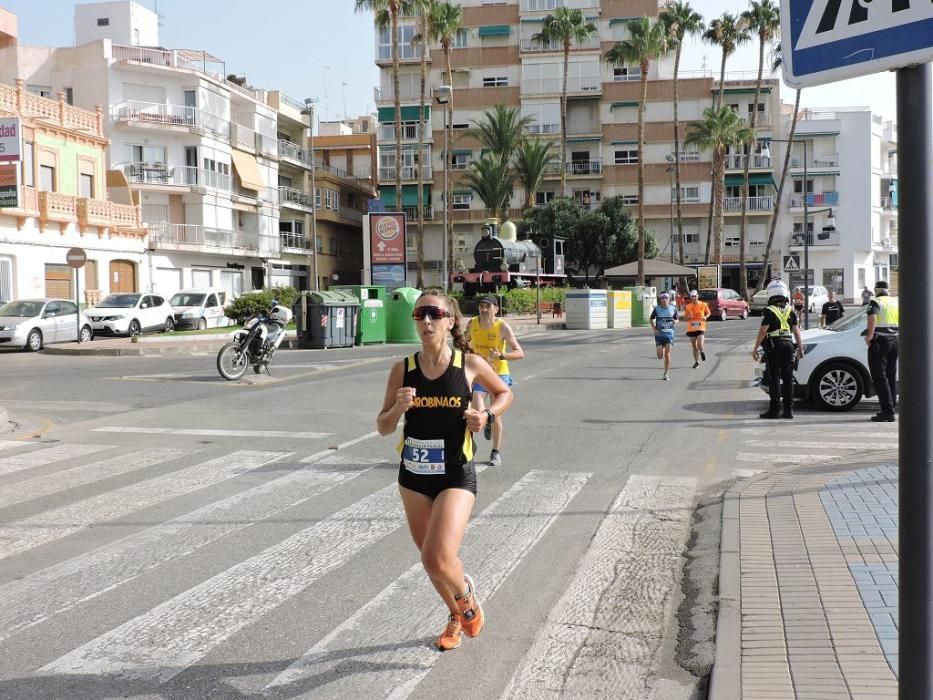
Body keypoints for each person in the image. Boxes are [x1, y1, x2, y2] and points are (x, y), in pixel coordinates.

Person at [377, 289, 513, 651]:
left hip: (455, 472)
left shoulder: (467, 364)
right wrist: (396, 409)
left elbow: (504, 393)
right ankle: (455, 614)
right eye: (420, 314)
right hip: (414, 477)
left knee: (437, 557)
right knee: (431, 561)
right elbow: (383, 426)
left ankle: (466, 596)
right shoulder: (402, 369)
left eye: (434, 314)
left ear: (450, 321)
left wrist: (486, 415)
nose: (426, 321)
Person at [465, 295, 524, 467]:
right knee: (477, 407)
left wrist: (501, 355)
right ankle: (485, 423)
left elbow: (520, 353)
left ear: (496, 309)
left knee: (496, 415)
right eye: (481, 306)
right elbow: (463, 342)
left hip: (499, 374)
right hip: (479, 374)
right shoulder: (472, 324)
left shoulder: (502, 327)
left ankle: (495, 452)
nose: (484, 310)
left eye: (488, 307)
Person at [752, 280, 804, 419]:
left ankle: (774, 410)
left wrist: (755, 348)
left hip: (774, 346)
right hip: (788, 345)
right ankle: (789, 410)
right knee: (788, 378)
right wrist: (800, 348)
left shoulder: (768, 311)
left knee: (774, 378)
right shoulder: (790, 310)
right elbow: (797, 332)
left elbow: (763, 332)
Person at [864, 280, 899, 422]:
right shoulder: (895, 302)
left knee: (879, 376)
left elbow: (872, 317)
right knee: (890, 376)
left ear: (876, 289)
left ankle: (887, 411)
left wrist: (869, 336)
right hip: (895, 341)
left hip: (880, 341)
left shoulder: (875, 301)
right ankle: (891, 408)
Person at [650, 291, 679, 381]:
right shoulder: (657, 309)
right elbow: (650, 319)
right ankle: (661, 347)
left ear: (669, 300)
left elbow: (677, 319)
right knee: (659, 356)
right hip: (659, 335)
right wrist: (654, 329)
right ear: (660, 300)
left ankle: (666, 373)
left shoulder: (673, 308)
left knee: (667, 354)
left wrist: (675, 321)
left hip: (669, 335)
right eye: (662, 298)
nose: (664, 300)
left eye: (666, 298)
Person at [683, 289, 711, 368]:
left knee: (699, 345)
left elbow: (709, 313)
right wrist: (689, 316)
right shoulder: (688, 306)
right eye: (692, 297)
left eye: (695, 296)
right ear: (691, 297)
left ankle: (702, 352)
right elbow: (685, 318)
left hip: (700, 326)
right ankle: (696, 362)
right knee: (694, 346)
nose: (694, 298)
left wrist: (705, 317)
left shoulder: (703, 304)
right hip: (691, 328)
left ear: (697, 296)